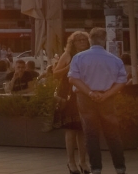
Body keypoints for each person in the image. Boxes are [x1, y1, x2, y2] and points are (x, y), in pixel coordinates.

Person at [69, 32, 129, 174]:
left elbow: (73, 79)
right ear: (104, 41)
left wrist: (90, 92)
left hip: (85, 97)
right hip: (107, 97)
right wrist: (106, 94)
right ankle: (120, 167)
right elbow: (121, 81)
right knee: (113, 134)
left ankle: (96, 168)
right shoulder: (115, 59)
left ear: (90, 40)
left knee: (91, 134)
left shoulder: (79, 57)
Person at [51, 33, 89, 174]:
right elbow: (55, 73)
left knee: (83, 129)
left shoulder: (89, 55)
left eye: (84, 39)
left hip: (84, 92)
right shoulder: (67, 55)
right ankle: (71, 161)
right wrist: (69, 67)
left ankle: (83, 161)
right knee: (71, 129)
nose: (82, 42)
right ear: (73, 43)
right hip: (69, 95)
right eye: (79, 40)